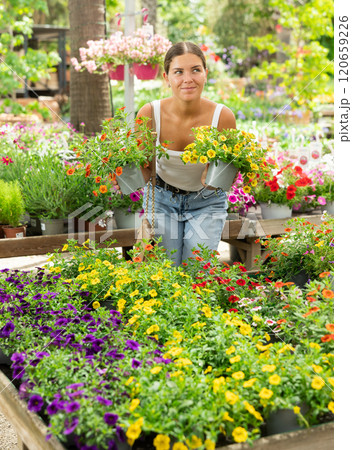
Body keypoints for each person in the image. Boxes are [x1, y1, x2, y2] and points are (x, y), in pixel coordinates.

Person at [136, 41, 237, 266]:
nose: (187, 79)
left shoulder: (223, 117)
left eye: (195, 70)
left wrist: (215, 178)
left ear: (205, 73)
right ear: (166, 77)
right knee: (166, 269)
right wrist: (121, 173)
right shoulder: (150, 113)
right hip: (161, 200)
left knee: (197, 270)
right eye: (178, 72)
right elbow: (143, 170)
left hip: (206, 202)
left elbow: (229, 168)